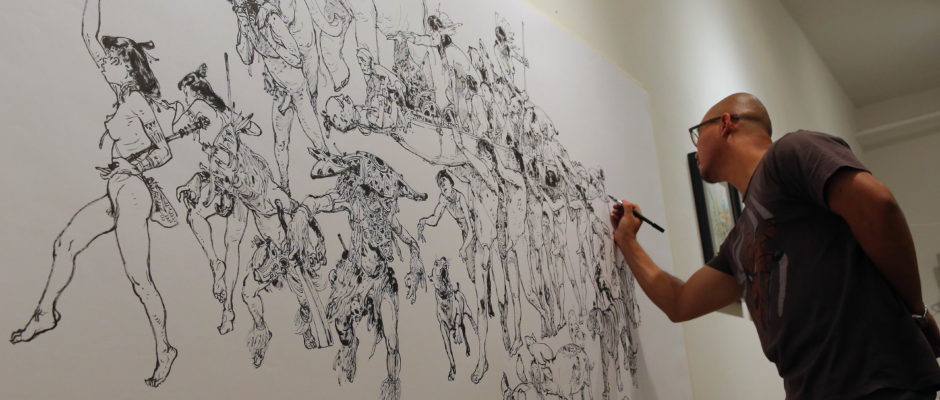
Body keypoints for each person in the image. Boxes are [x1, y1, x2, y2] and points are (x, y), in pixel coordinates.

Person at [609, 92, 940, 399]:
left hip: (878, 382)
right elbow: (680, 303)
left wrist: (917, 312)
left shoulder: (790, 152)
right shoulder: (739, 239)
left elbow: (879, 207)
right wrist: (627, 240)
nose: (697, 149)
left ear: (725, 124)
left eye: (699, 133)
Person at [10, 0, 178, 387]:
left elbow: (164, 152)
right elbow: (88, 35)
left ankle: (165, 348)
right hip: (117, 191)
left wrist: (131, 166)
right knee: (66, 243)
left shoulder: (137, 101)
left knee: (139, 279)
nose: (104, 64)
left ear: (128, 68)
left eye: (112, 61)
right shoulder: (121, 93)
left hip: (133, 193)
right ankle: (45, 314)